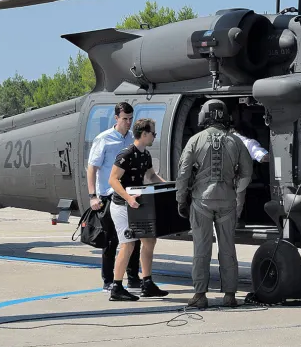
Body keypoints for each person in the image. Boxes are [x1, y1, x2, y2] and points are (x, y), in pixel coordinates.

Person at [175, 100, 253, 309]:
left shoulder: (195, 140)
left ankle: (200, 295)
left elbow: (183, 174)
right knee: (228, 248)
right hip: (227, 201)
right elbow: (247, 174)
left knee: (201, 248)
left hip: (201, 202)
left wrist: (181, 200)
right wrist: (235, 192)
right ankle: (230, 295)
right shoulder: (236, 141)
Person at [107, 117, 170, 301]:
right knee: (128, 244)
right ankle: (116, 287)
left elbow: (151, 175)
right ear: (144, 134)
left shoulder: (145, 155)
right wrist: (128, 198)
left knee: (150, 240)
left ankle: (147, 283)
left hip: (137, 205)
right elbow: (113, 179)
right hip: (121, 205)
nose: (154, 136)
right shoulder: (126, 154)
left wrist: (169, 187)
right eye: (153, 133)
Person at [85, 102, 141, 291]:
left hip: (129, 196)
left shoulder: (133, 139)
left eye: (131, 119)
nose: (128, 122)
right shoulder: (104, 139)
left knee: (134, 238)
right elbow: (92, 168)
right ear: (116, 118)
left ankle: (133, 278)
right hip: (109, 196)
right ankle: (108, 281)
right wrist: (93, 196)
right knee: (111, 241)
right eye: (125, 119)